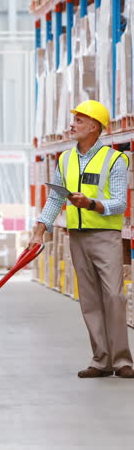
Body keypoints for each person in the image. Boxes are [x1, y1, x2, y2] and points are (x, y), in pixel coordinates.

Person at [30, 100, 134, 378]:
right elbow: (54, 198)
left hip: (105, 236)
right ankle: (101, 360)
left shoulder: (115, 160)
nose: (72, 124)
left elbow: (120, 203)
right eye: (74, 118)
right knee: (89, 300)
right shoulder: (65, 159)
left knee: (113, 296)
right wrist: (40, 230)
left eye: (78, 120)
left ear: (94, 126)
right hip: (76, 236)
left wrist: (91, 204)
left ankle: (123, 361)